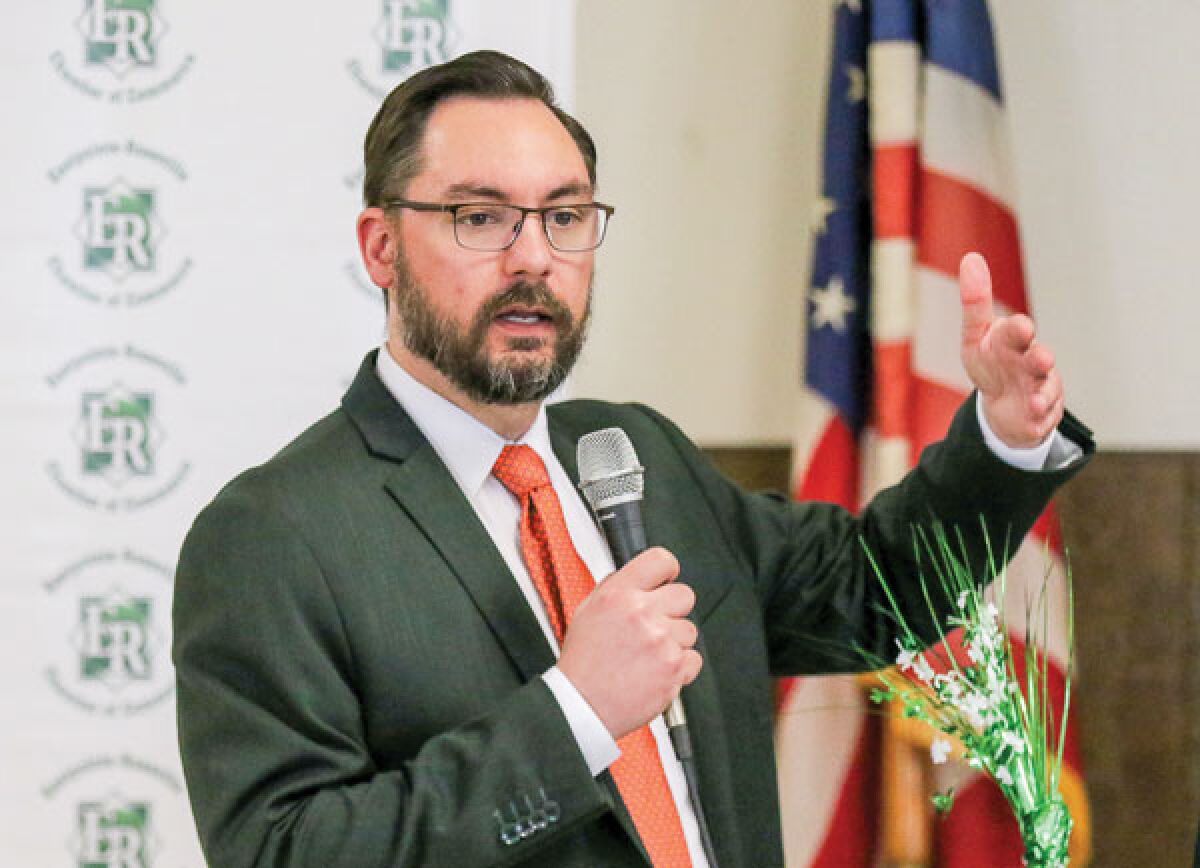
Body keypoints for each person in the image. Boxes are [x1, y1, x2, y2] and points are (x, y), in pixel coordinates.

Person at [172, 50, 1092, 868]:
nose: (534, 259)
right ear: (382, 248)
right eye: (481, 217)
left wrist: (1004, 440)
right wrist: (574, 712)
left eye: (565, 216)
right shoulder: (274, 537)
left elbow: (873, 589)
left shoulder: (633, 455)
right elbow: (283, 850)